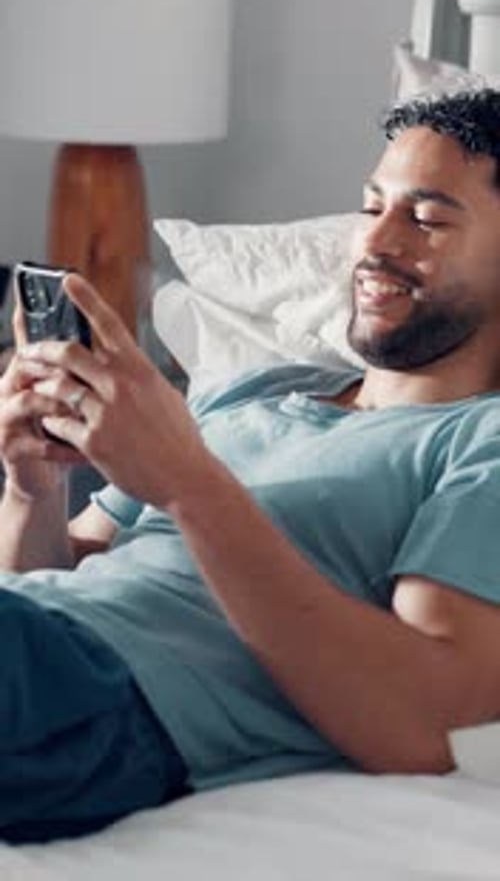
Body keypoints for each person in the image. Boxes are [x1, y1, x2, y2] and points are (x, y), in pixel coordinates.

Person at [2, 87, 500, 843]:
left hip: (114, 695)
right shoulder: (251, 391)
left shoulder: (480, 443)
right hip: (36, 634)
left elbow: (420, 723)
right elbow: (62, 573)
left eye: (426, 219)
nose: (376, 241)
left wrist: (190, 485)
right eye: (372, 207)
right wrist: (32, 487)